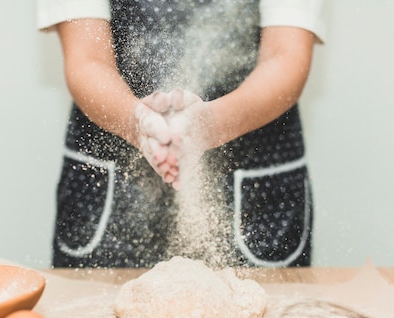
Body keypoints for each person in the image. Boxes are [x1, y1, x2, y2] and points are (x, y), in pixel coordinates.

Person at [37, 0, 325, 269]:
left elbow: (285, 56)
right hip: (111, 189)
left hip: (253, 187)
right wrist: (134, 122)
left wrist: (212, 124)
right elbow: (87, 59)